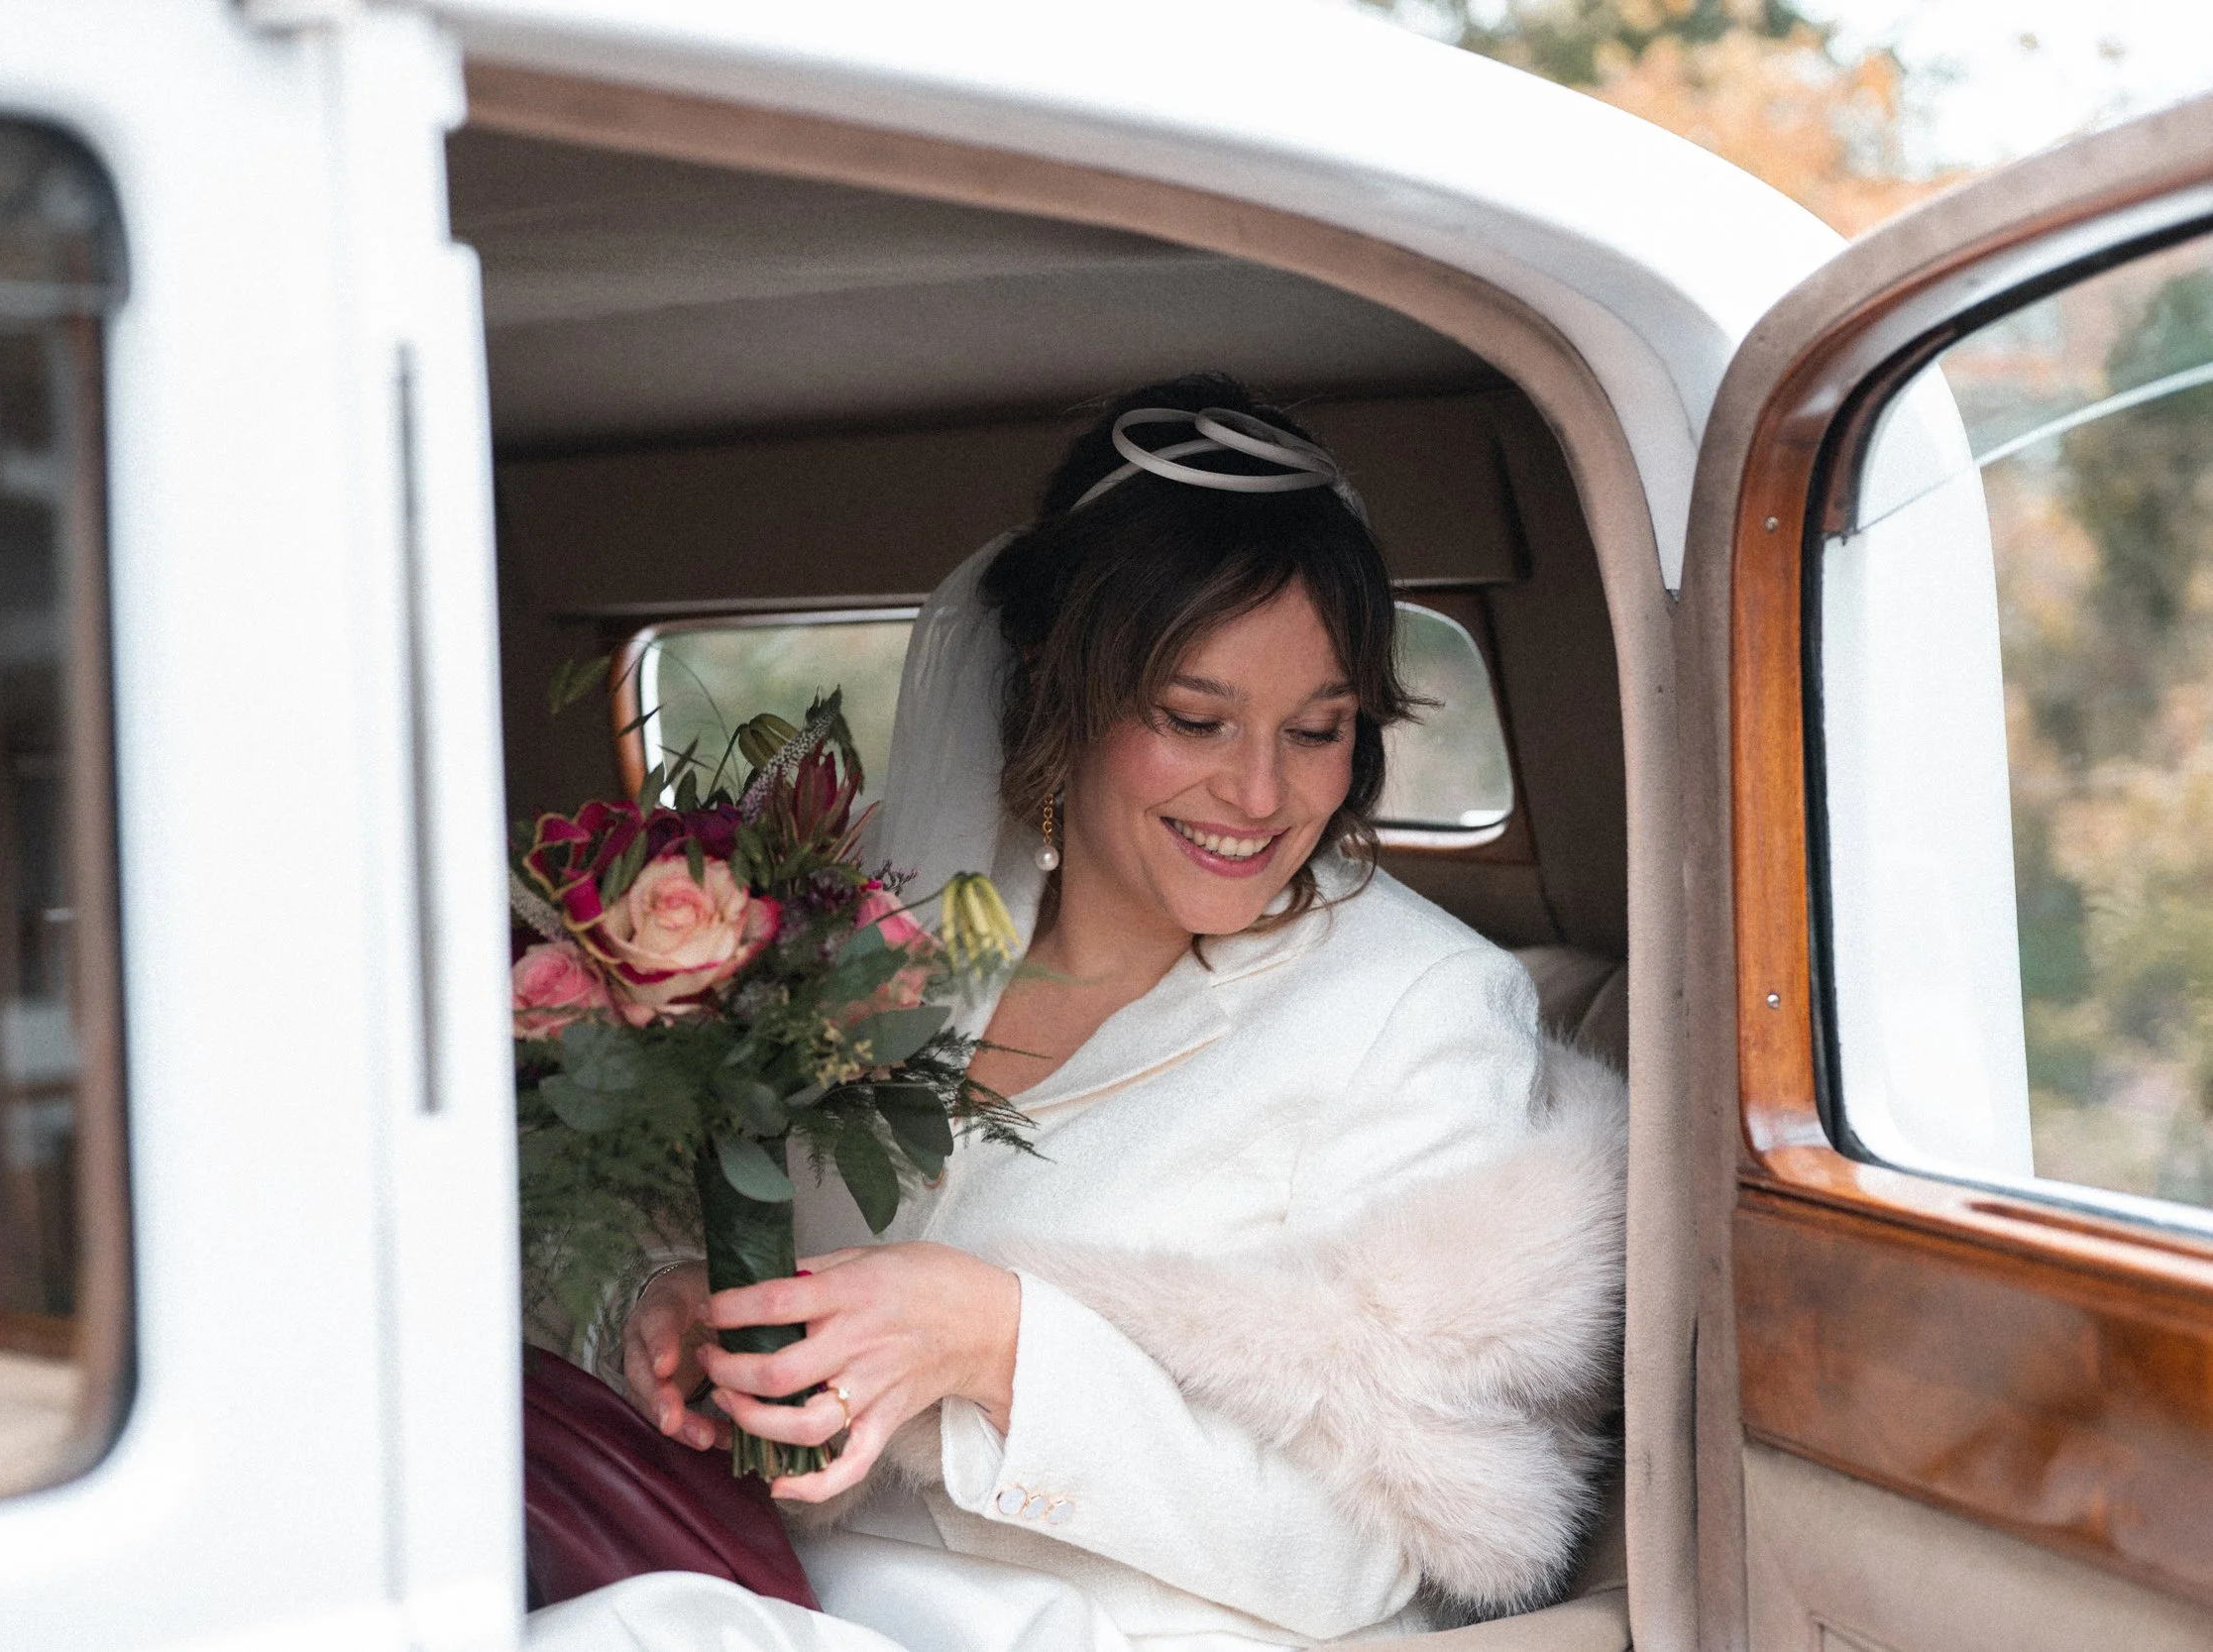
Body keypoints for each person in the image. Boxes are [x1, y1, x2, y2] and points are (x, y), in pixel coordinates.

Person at [530, 375, 1627, 1651]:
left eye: (1320, 730)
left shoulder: (1419, 1008)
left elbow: (1378, 1562)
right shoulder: (883, 920)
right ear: (1061, 689)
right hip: (757, 1585)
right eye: (1195, 718)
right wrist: (666, 1304)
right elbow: (654, 1220)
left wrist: (1000, 1351)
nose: (1262, 792)